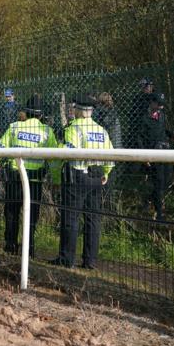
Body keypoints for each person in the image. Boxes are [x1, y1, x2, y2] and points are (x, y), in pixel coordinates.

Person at [0, 94, 60, 257]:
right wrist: (57, 179)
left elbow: (0, 148)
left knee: (11, 212)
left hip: (14, 178)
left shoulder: (14, 127)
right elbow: (53, 160)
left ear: (26, 112)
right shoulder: (47, 132)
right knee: (31, 215)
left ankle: (10, 246)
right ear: (40, 115)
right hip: (34, 180)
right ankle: (29, 248)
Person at [51, 94, 114, 269]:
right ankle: (90, 261)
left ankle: (66, 259)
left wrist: (57, 155)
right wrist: (106, 173)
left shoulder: (74, 127)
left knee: (70, 217)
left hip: (78, 174)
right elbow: (111, 155)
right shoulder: (101, 130)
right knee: (93, 219)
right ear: (91, 111)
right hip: (97, 175)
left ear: (78, 110)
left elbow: (68, 151)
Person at [138, 93, 174, 221]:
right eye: (158, 104)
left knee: (167, 180)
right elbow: (139, 138)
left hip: (165, 152)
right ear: (151, 102)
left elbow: (165, 130)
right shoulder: (143, 118)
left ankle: (149, 198)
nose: (160, 107)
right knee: (159, 182)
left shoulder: (162, 116)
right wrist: (143, 155)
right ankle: (159, 214)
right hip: (152, 154)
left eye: (162, 105)